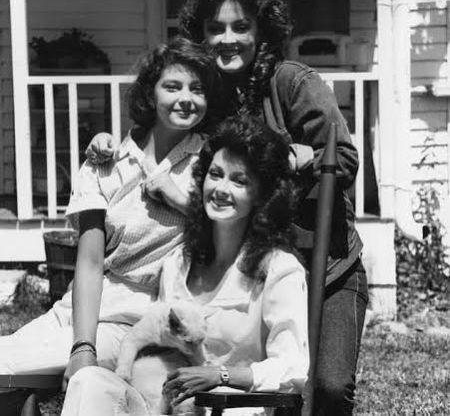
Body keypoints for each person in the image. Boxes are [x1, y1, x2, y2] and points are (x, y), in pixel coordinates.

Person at [86, 0, 369, 414]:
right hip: (247, 274)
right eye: (215, 28)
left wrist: (305, 156)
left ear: (261, 31)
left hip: (324, 267)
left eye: (241, 26)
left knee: (326, 388)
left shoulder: (293, 83)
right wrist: (108, 143)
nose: (227, 38)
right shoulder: (208, 96)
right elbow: (161, 132)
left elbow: (346, 161)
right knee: (245, 390)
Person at [0, 37, 221, 390]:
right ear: (150, 94)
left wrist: (179, 199)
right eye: (173, 86)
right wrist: (82, 347)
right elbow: (89, 262)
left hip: (141, 323)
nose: (186, 98)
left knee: (6, 368)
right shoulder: (106, 163)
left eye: (197, 89)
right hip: (82, 313)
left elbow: (228, 230)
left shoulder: (211, 164)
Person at [61, 115, 309, 416]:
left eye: (239, 180)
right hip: (167, 405)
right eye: (215, 174)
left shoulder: (278, 270)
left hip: (233, 409)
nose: (221, 188)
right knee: (90, 382)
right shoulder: (179, 263)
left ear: (261, 196)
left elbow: (292, 368)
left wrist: (221, 375)